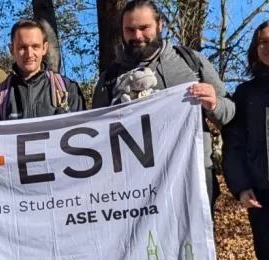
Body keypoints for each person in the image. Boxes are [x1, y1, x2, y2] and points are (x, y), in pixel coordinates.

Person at [91, 0, 234, 222]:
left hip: (191, 174)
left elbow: (229, 113)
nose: (137, 35)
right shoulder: (108, 79)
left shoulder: (191, 62)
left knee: (194, 250)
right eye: (129, 30)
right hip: (133, 185)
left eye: (144, 27)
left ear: (160, 25)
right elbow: (96, 135)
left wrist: (214, 103)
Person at [222, 21, 269, 260]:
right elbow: (234, 144)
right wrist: (240, 186)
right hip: (262, 197)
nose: (267, 47)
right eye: (262, 42)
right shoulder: (245, 94)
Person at [0, 19, 85, 121]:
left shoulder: (67, 89)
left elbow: (81, 133)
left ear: (44, 48)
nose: (29, 54)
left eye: (35, 47)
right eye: (22, 47)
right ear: (12, 50)